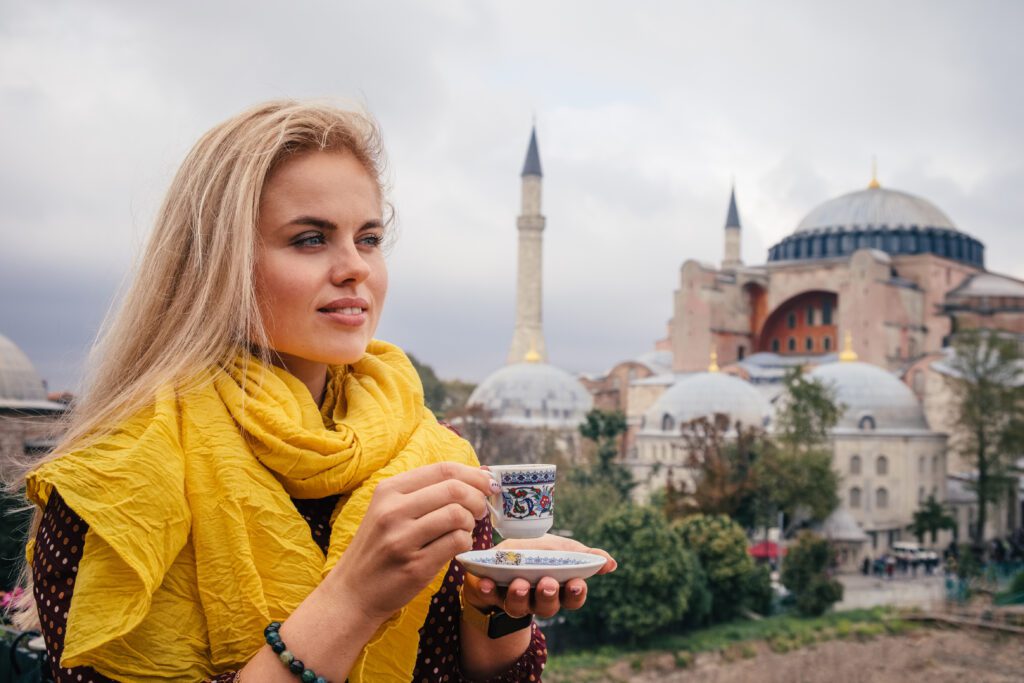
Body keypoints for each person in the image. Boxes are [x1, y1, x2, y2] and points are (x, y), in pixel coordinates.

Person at [9, 100, 615, 682]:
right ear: (220, 265)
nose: (355, 267)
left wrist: (500, 606)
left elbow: (459, 671)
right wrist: (352, 601)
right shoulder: (121, 478)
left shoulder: (429, 451)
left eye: (369, 239)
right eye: (310, 239)